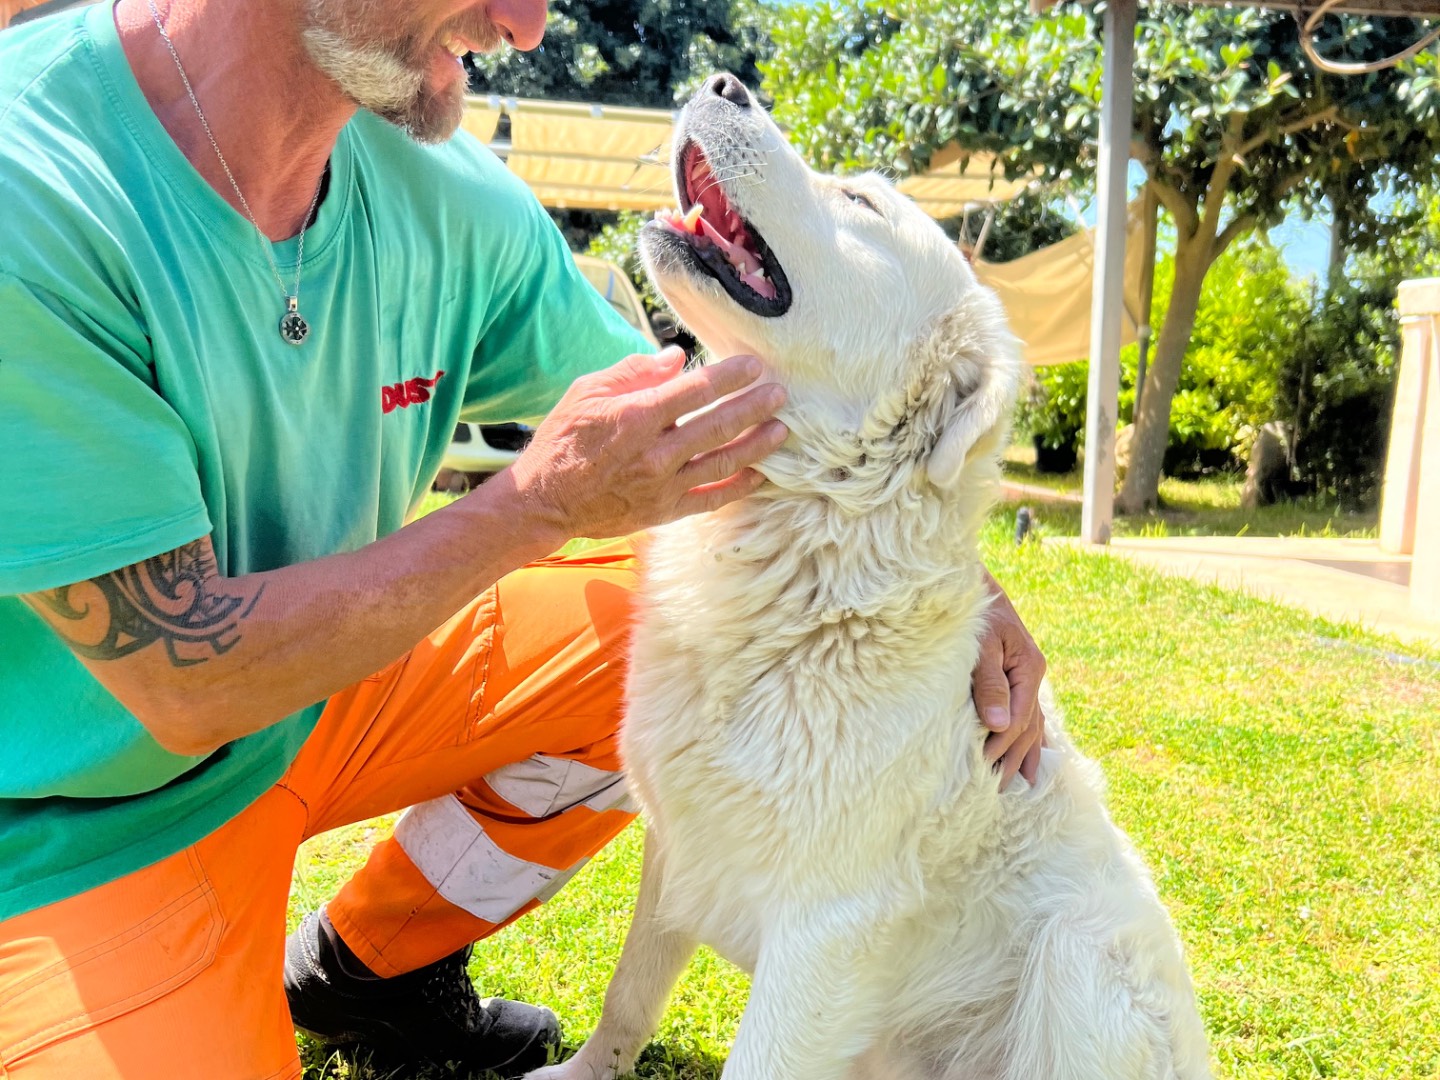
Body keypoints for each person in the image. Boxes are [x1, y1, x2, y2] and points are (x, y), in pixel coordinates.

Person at [0, 1, 1048, 1077]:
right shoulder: (27, 185)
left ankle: (374, 962)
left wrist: (961, 583)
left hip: (321, 701)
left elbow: (685, 431)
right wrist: (532, 507)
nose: (526, 21)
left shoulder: (443, 198)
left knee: (668, 617)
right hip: (82, 821)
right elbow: (188, 684)